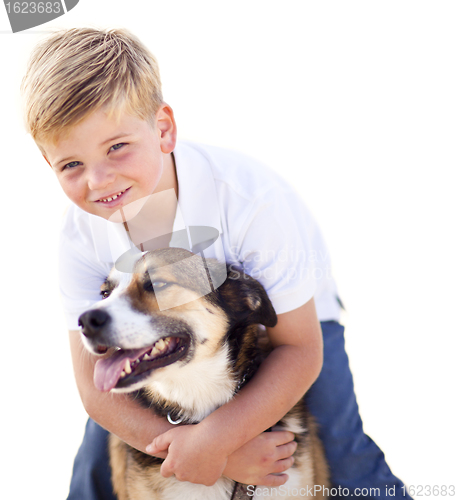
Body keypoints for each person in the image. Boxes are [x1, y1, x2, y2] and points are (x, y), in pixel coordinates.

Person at [21, 27, 411, 500]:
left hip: (291, 323)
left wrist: (219, 436)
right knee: (94, 471)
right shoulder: (79, 235)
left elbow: (299, 350)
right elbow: (93, 387)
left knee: (347, 461)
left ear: (163, 128)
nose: (98, 180)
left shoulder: (252, 203)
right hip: (148, 334)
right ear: (48, 163)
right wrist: (213, 455)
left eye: (117, 147)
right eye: (71, 165)